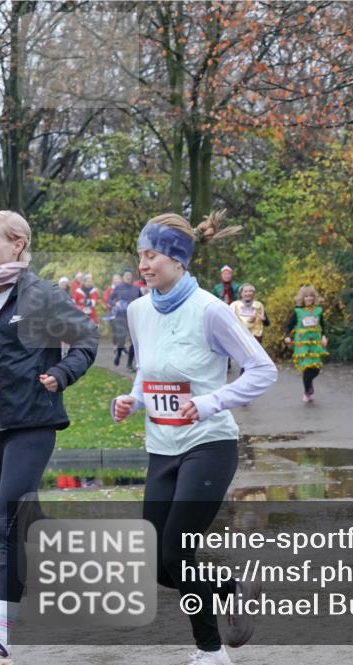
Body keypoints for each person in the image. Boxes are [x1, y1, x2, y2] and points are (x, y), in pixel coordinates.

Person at [111, 210, 276, 665]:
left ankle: (210, 652)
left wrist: (210, 402)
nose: (143, 265)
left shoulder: (210, 310)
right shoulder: (139, 310)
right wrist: (133, 399)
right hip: (160, 447)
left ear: (178, 259)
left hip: (209, 445)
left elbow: (263, 370)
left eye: (152, 255)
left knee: (177, 552)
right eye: (140, 255)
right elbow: (148, 371)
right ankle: (230, 589)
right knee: (159, 564)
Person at [0, 211, 99, 664]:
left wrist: (61, 372)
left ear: (18, 244)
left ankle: (0, 633)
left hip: (33, 420)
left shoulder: (41, 295)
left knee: (7, 518)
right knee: (27, 524)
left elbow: (87, 339)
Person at [283, 286, 329, 402]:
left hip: (315, 342)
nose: (309, 298)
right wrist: (288, 336)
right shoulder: (298, 311)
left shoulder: (318, 310)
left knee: (316, 368)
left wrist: (324, 336)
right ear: (302, 298)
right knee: (308, 366)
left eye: (311, 296)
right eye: (306, 296)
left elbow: (322, 326)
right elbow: (289, 325)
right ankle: (307, 390)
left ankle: (309, 384)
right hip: (302, 343)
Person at [111, 269, 143, 370]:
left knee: (134, 341)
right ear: (123, 277)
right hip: (121, 317)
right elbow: (109, 300)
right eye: (126, 276)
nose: (128, 277)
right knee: (121, 341)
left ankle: (129, 364)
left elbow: (142, 300)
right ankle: (118, 355)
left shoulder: (136, 289)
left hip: (133, 318)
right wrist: (115, 303)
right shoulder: (118, 288)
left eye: (130, 275)